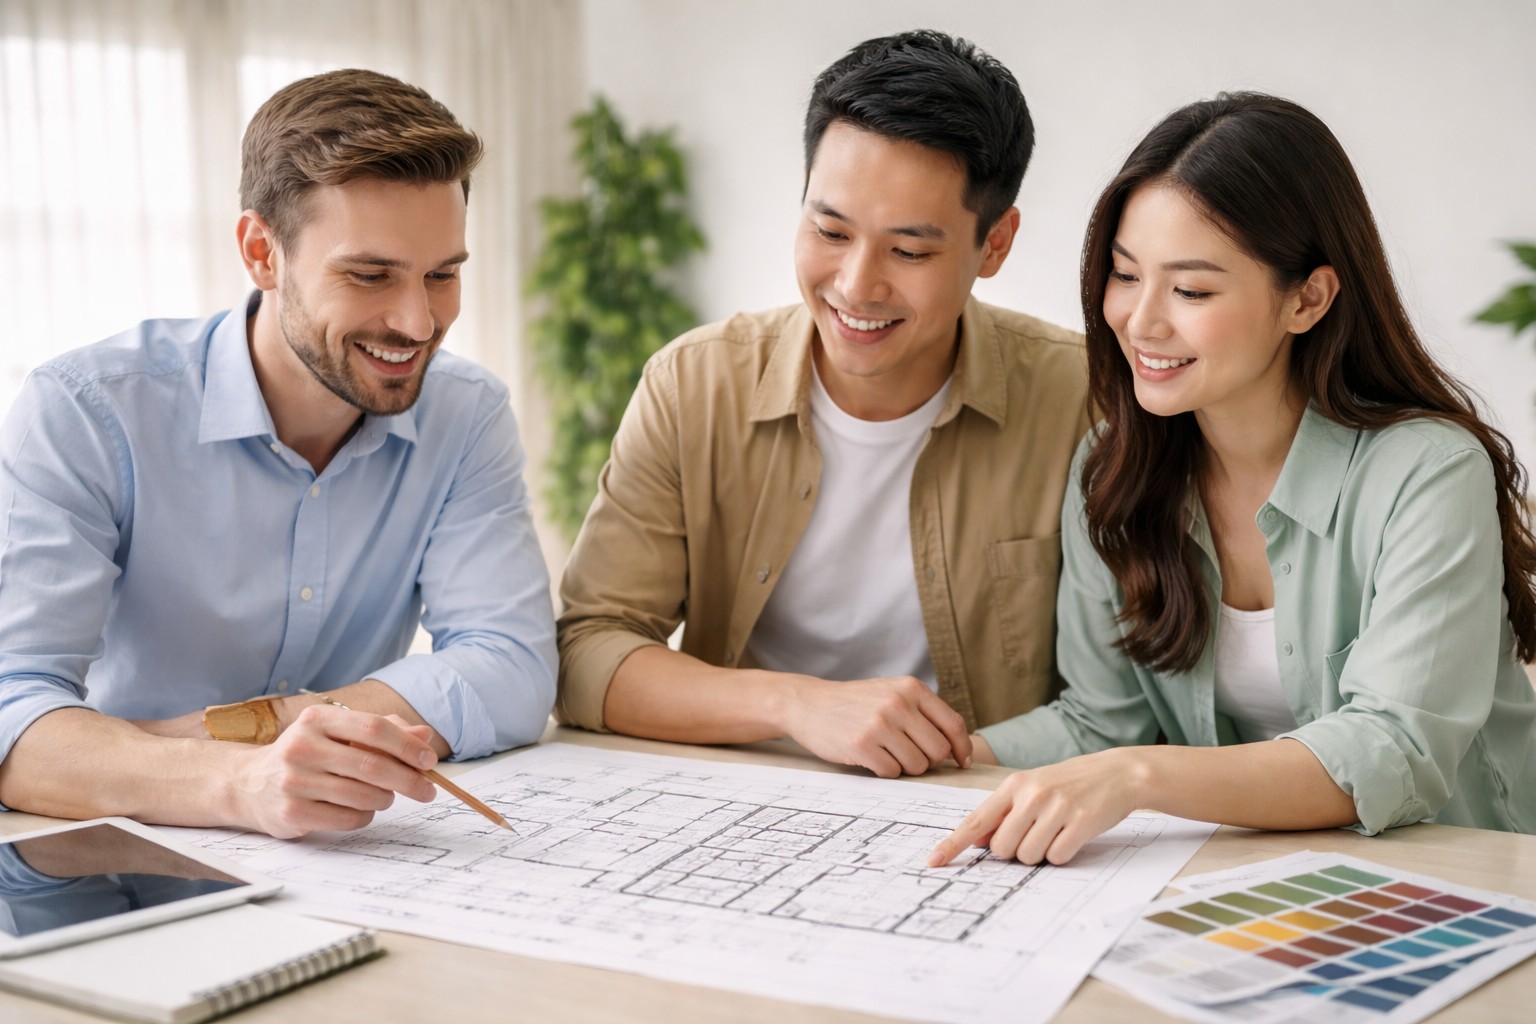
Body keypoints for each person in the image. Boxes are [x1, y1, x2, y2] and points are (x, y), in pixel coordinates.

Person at [930, 92, 1536, 868]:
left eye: (1191, 291)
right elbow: (1098, 726)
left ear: (1307, 299)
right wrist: (946, 753)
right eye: (1124, 274)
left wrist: (1138, 776)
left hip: (1465, 884)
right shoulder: (1113, 470)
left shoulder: (1428, 472)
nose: (1141, 321)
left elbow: (1393, 747)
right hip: (1267, 880)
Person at [0, 69, 557, 838]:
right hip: (115, 842)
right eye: (370, 275)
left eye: (443, 275)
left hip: (349, 852)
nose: (418, 322)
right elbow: (12, 712)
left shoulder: (467, 414)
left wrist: (266, 728)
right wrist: (237, 781)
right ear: (263, 252)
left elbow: (513, 665)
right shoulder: (86, 411)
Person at [556, 30, 1091, 778]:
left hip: (978, 806)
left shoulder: (1082, 401)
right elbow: (587, 654)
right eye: (829, 230)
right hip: (742, 798)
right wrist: (796, 705)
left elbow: (1124, 704)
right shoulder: (694, 385)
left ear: (995, 244)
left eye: (909, 252)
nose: (856, 285)